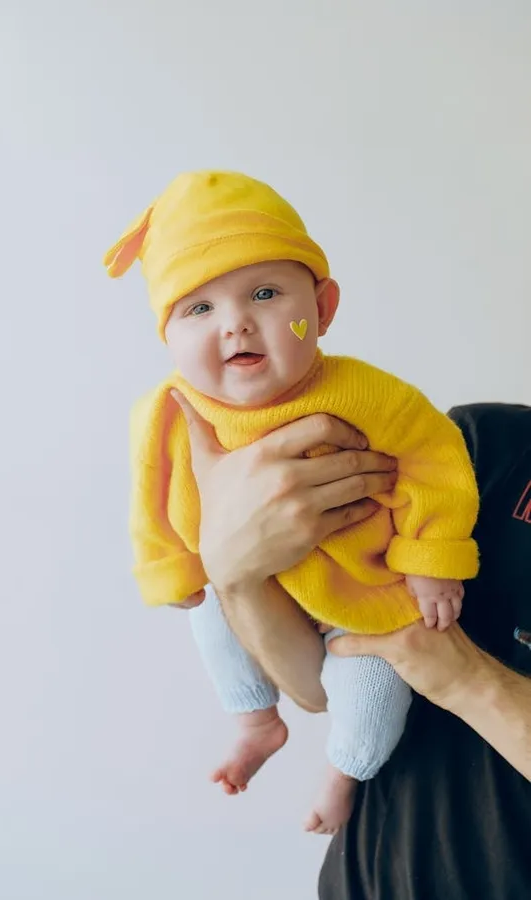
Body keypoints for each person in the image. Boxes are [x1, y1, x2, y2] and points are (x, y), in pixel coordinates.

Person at [104, 170, 480, 832]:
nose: (236, 324)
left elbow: (435, 456)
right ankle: (256, 721)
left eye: (266, 293)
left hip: (362, 599)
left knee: (378, 684)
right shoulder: (166, 412)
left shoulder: (362, 393)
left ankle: (344, 773)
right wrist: (170, 567)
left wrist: (431, 554)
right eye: (198, 308)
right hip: (235, 581)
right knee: (207, 619)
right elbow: (149, 494)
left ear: (325, 306)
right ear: (165, 336)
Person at [173, 395, 531, 898]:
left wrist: (463, 678)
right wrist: (240, 575)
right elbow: (319, 689)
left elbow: (417, 658)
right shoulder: (484, 441)